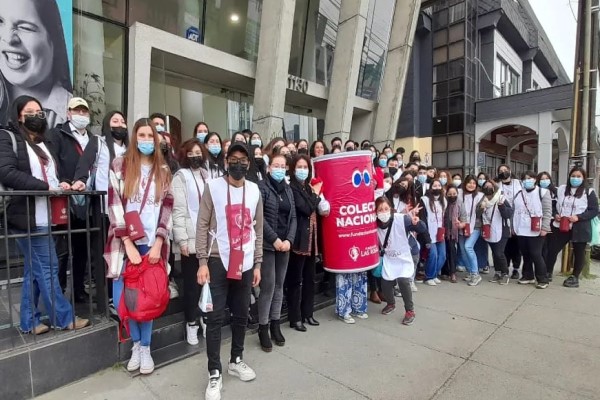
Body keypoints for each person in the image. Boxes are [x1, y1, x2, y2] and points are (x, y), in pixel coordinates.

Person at [0, 95, 89, 334]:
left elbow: (52, 177)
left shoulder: (44, 143)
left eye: (39, 112)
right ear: (19, 116)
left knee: (34, 270)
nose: (36, 115)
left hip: (45, 215)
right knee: (48, 267)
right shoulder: (8, 139)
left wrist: (64, 184)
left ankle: (29, 321)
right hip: (25, 217)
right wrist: (44, 187)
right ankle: (63, 318)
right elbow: (7, 173)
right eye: (30, 111)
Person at [105, 117, 173, 374]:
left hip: (152, 246)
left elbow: (167, 207)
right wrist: (127, 243)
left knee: (150, 298)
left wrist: (158, 242)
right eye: (141, 135)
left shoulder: (163, 170)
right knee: (128, 300)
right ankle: (136, 344)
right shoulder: (120, 165)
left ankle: (146, 347)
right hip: (126, 246)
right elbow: (114, 206)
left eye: (150, 136)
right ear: (135, 138)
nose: (145, 140)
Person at [196, 142, 263, 400]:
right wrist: (202, 261)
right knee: (214, 319)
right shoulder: (213, 188)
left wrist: (258, 263)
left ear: (248, 163)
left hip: (245, 262)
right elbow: (202, 225)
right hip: (217, 260)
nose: (238, 164)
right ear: (226, 161)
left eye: (242, 160)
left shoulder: (255, 190)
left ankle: (236, 359)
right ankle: (215, 372)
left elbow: (258, 230)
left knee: (241, 314)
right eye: (233, 159)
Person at [46, 97, 92, 302]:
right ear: (68, 113)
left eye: (84, 111)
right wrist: (62, 181)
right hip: (64, 198)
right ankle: (58, 290)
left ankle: (78, 289)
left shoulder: (93, 139)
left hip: (87, 200)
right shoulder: (57, 134)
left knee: (82, 246)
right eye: (77, 111)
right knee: (62, 248)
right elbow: (51, 160)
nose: (81, 115)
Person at [0, 0, 72, 127]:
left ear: (54, 39)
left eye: (25, 28)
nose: (9, 39)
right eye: (0, 22)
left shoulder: (71, 111)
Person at [257, 154, 297, 350]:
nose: (280, 168)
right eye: (276, 165)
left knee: (280, 285)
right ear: (269, 168)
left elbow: (294, 217)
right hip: (267, 245)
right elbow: (260, 217)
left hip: (285, 246)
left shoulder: (288, 190)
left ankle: (275, 323)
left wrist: (289, 239)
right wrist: (275, 240)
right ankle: (263, 327)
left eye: (283, 166)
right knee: (268, 287)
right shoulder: (262, 188)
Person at [172, 139, 209, 345]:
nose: (196, 156)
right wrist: (182, 240)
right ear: (185, 155)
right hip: (190, 239)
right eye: (192, 153)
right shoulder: (180, 176)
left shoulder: (206, 175)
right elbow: (178, 210)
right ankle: (191, 323)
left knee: (207, 284)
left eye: (198, 152)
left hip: (207, 239)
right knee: (192, 286)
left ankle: (204, 317)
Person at [544, 167, 598, 288]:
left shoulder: (589, 192)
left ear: (583, 178)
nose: (575, 179)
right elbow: (553, 204)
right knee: (552, 249)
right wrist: (555, 214)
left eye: (578, 176)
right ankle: (548, 272)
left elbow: (594, 210)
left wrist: (579, 217)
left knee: (579, 253)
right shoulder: (562, 189)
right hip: (560, 225)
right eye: (573, 176)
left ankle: (575, 276)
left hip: (579, 227)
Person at [286, 155, 321, 331]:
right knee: (296, 280)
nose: (302, 170)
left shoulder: (308, 187)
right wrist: (317, 197)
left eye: (305, 167)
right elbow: (306, 208)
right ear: (293, 169)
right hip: (299, 241)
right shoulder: (292, 187)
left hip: (312, 240)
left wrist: (314, 196)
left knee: (310, 279)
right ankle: (295, 317)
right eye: (299, 166)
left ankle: (308, 313)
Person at [376, 197, 425, 325]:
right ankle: (391, 303)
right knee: (386, 282)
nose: (383, 212)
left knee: (403, 281)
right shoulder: (375, 223)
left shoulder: (401, 219)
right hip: (390, 257)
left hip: (405, 255)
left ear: (391, 209)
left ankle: (410, 311)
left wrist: (417, 223)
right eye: (380, 210)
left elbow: (422, 229)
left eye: (386, 209)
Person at [512, 171, 552, 289]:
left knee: (536, 254)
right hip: (521, 229)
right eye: (524, 179)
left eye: (530, 178)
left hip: (536, 229)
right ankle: (527, 275)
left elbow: (547, 211)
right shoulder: (519, 194)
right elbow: (514, 212)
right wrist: (513, 227)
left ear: (535, 179)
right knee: (526, 254)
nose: (527, 181)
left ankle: (542, 278)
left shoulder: (543, 192)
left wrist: (545, 227)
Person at [480, 180, 514, 285]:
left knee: (499, 253)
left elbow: (508, 214)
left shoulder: (501, 198)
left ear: (494, 187)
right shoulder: (482, 199)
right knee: (495, 253)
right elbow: (478, 214)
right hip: (488, 229)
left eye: (490, 186)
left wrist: (501, 206)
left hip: (502, 230)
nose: (488, 187)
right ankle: (497, 272)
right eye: (485, 186)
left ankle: (505, 273)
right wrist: (481, 208)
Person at [497, 164, 523, 280]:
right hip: (504, 217)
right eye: (501, 171)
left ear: (510, 171)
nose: (503, 172)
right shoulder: (497, 185)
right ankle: (505, 267)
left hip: (517, 216)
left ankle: (516, 269)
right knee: (506, 245)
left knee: (516, 246)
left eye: (505, 170)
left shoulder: (518, 183)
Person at [457, 175, 484, 286]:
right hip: (461, 225)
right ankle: (470, 271)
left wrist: (482, 208)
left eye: (474, 183)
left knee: (468, 247)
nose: (471, 185)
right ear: (465, 183)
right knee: (463, 250)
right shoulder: (459, 193)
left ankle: (475, 274)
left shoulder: (480, 196)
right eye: (469, 182)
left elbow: (479, 214)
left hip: (475, 226)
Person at [419, 179, 447, 285]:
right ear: (430, 188)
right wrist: (425, 235)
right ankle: (429, 277)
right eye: (434, 186)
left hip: (440, 233)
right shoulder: (424, 200)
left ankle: (434, 274)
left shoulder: (444, 200)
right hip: (429, 233)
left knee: (443, 255)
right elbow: (422, 218)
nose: (437, 188)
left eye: (439, 186)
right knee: (433, 254)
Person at [442, 186, 460, 283]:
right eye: (449, 194)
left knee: (452, 251)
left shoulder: (459, 203)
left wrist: (460, 223)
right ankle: (444, 271)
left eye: (454, 194)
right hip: (442, 230)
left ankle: (453, 272)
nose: (452, 196)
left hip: (453, 232)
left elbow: (464, 216)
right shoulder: (443, 202)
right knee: (444, 251)